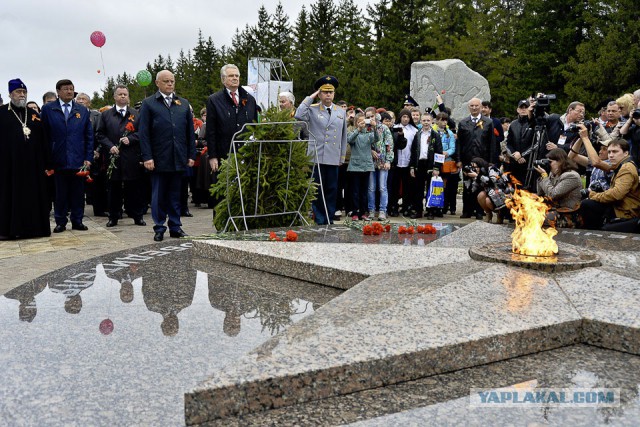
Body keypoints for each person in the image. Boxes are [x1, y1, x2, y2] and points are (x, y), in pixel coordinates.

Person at [138, 70, 196, 242]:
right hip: (158, 158)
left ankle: (176, 226)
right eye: (166, 81)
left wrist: (191, 154)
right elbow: (144, 133)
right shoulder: (149, 104)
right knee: (158, 195)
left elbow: (190, 133)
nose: (170, 84)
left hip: (178, 157)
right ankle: (159, 227)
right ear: (157, 83)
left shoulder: (183, 104)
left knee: (176, 194)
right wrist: (147, 156)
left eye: (172, 81)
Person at [40, 79, 94, 233]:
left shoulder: (82, 110)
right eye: (66, 89)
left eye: (71, 89)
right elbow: (44, 135)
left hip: (78, 159)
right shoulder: (48, 109)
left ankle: (77, 221)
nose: (69, 92)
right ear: (58, 91)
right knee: (60, 194)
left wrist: (88, 158)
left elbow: (89, 136)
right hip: (57, 158)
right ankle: (60, 222)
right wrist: (47, 158)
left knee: (78, 193)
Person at [0, 78, 51, 239]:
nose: (22, 95)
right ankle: (9, 230)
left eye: (24, 92)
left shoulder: (34, 114)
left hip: (33, 166)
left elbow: (44, 140)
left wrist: (47, 163)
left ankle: (35, 229)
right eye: (18, 92)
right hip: (9, 166)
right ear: (10, 94)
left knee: (34, 197)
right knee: (10, 196)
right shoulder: (1, 113)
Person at [295, 75, 348, 225]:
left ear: (334, 94)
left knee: (332, 190)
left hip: (333, 156)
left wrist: (341, 157)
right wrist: (310, 97)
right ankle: (319, 219)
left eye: (330, 92)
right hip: (317, 156)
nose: (328, 95)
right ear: (319, 94)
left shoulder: (340, 112)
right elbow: (299, 114)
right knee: (317, 190)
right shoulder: (312, 109)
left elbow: (343, 136)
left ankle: (329, 218)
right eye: (324, 92)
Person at [205, 64, 259, 210]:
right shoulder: (214, 100)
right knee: (224, 192)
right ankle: (222, 227)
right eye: (231, 76)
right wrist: (213, 156)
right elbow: (211, 130)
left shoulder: (249, 99)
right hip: (224, 154)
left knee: (245, 192)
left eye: (237, 76)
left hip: (246, 154)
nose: (235, 78)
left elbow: (255, 127)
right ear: (223, 80)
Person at [96, 85, 146, 227]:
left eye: (125, 94)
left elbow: (142, 133)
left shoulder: (136, 114)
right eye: (120, 94)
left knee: (134, 188)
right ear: (115, 97)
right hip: (113, 157)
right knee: (114, 189)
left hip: (131, 157)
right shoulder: (106, 115)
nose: (123, 96)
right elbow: (100, 134)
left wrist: (131, 139)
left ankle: (137, 216)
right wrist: (110, 146)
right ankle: (113, 216)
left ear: (128, 97)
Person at [580, 139, 640, 231]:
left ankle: (594, 235)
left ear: (626, 153)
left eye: (615, 152)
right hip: (619, 206)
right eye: (609, 152)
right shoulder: (620, 165)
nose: (611, 155)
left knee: (588, 204)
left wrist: (593, 195)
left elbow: (616, 194)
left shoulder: (626, 168)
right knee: (588, 204)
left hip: (626, 212)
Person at [456, 97, 496, 219]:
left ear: (480, 107)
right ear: (469, 107)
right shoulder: (463, 123)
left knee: (481, 184)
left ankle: (479, 211)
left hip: (482, 160)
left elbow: (492, 143)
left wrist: (491, 162)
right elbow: (459, 143)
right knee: (467, 185)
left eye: (476, 106)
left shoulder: (488, 122)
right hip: (467, 159)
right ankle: (467, 210)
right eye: (472, 106)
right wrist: (458, 160)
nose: (474, 108)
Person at [534, 148, 583, 227]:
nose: (548, 164)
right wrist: (541, 177)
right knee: (527, 212)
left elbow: (553, 194)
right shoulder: (554, 174)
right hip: (555, 210)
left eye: (550, 162)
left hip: (569, 215)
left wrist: (545, 177)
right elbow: (540, 193)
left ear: (560, 162)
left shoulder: (571, 176)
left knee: (537, 218)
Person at [409, 113, 443, 219]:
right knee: (418, 190)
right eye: (424, 121)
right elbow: (413, 152)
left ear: (432, 121)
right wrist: (412, 167)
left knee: (430, 189)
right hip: (419, 164)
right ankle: (418, 211)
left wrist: (437, 167)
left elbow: (439, 152)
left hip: (431, 165)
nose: (426, 123)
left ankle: (430, 211)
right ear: (421, 122)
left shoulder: (435, 135)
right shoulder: (417, 134)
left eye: (428, 120)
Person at [365, 107, 393, 220]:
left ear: (376, 116)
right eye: (367, 117)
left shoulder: (384, 128)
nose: (370, 119)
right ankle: (371, 210)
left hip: (382, 162)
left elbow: (389, 145)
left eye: (372, 116)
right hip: (370, 163)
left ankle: (382, 210)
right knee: (371, 188)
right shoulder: (366, 129)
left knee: (382, 187)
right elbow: (363, 144)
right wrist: (370, 151)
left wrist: (388, 161)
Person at [347, 113, 375, 220]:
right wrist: (358, 129)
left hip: (366, 165)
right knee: (355, 191)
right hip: (355, 166)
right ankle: (355, 212)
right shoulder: (353, 132)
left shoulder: (369, 133)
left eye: (364, 121)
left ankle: (363, 212)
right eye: (360, 121)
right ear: (356, 123)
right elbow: (349, 140)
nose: (362, 123)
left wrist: (374, 127)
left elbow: (376, 138)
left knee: (364, 191)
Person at [435, 112, 458, 215]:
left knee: (445, 184)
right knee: (434, 183)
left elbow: (453, 148)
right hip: (435, 161)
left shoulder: (449, 133)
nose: (444, 122)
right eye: (441, 120)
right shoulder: (433, 131)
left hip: (445, 161)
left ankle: (444, 206)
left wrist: (447, 153)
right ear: (437, 120)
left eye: (445, 120)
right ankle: (434, 205)